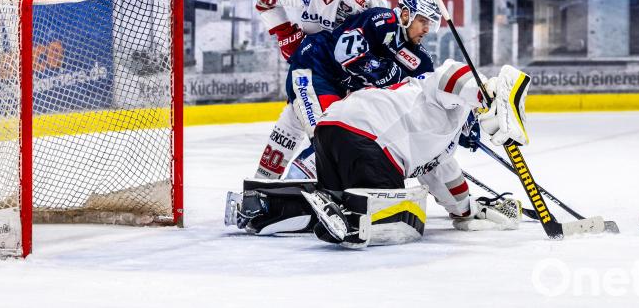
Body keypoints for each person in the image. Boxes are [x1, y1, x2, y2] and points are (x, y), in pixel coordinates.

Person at [225, 60, 529, 247]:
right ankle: (351, 217)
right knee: (405, 220)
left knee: (335, 197)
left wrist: (468, 211)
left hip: (331, 130)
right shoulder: (452, 101)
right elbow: (450, 73)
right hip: (368, 138)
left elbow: (447, 181)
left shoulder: (442, 149)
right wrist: (486, 91)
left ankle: (262, 206)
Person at [253, 0, 388, 180]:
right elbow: (263, 1)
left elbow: (383, 33)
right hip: (312, 63)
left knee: (319, 127)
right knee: (310, 127)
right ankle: (262, 185)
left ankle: (273, 186)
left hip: (350, 71)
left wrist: (369, 71)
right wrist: (284, 33)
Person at [279, 0, 439, 178]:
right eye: (422, 21)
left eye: (429, 23)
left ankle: (320, 193)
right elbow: (346, 52)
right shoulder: (383, 20)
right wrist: (386, 72)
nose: (427, 29)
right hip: (315, 69)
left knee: (341, 140)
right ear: (406, 15)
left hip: (339, 88)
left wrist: (459, 124)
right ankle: (291, 190)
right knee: (327, 138)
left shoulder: (419, 58)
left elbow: (432, 91)